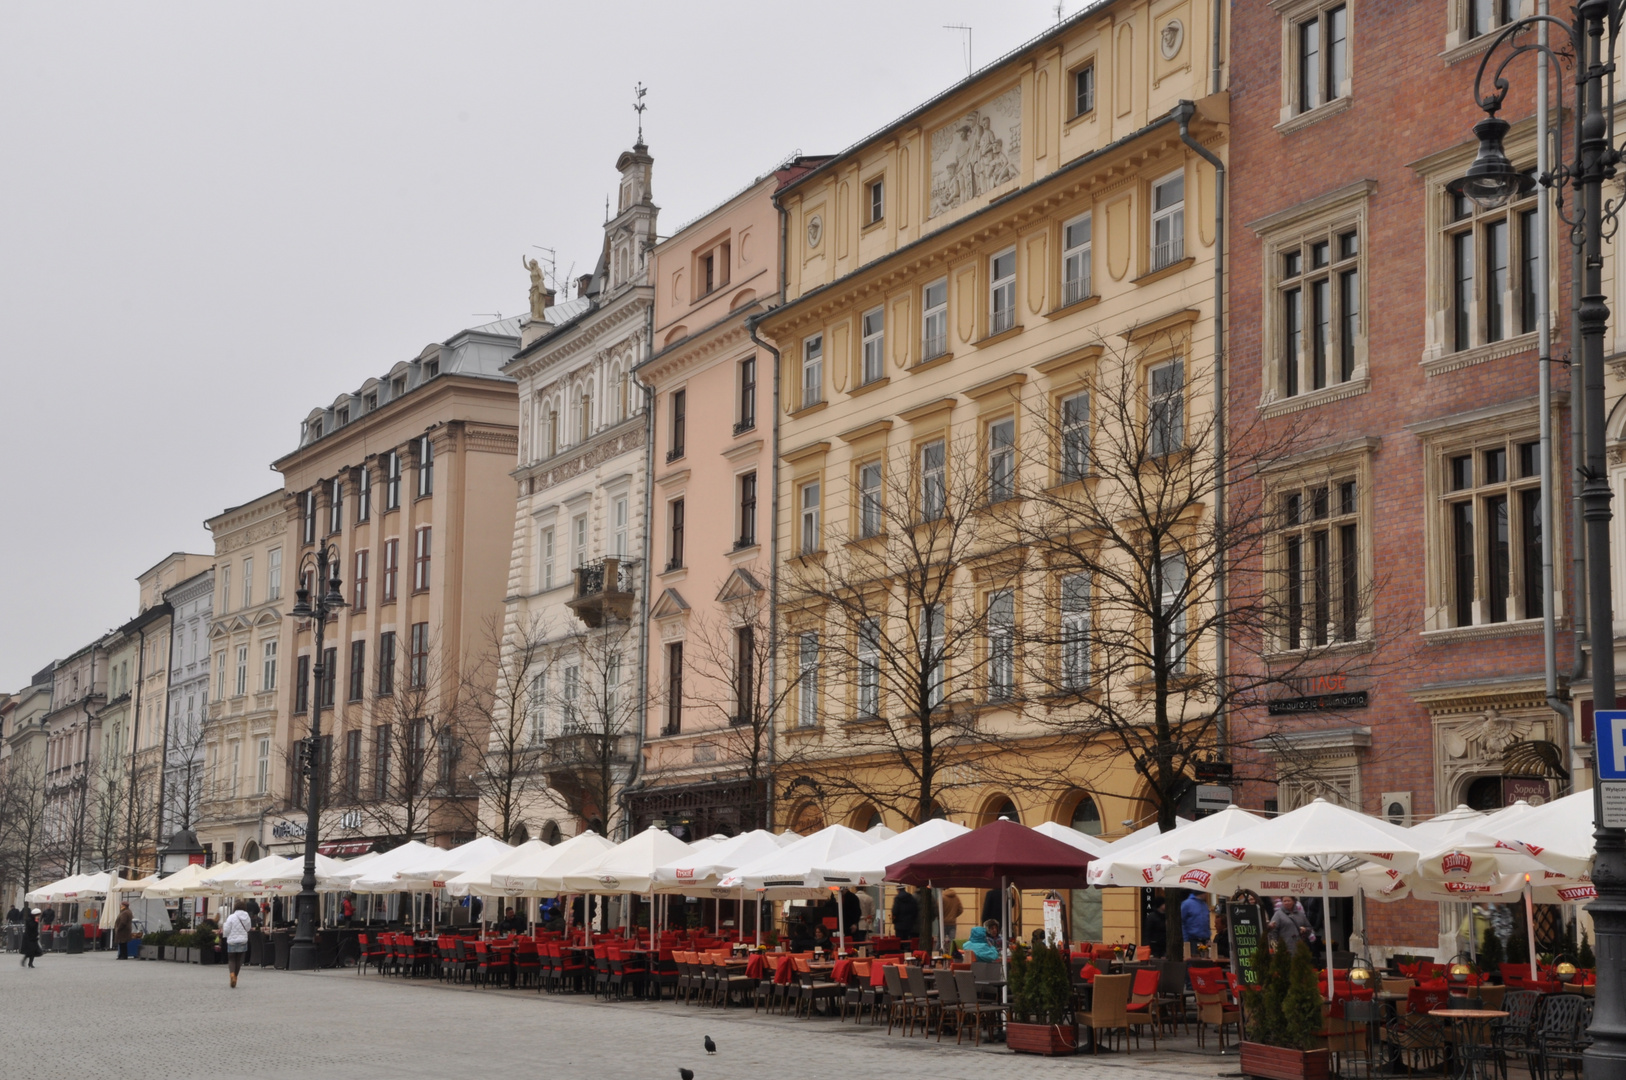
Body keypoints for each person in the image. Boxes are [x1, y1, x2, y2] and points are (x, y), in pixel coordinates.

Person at [223, 900, 254, 989]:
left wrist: (226, 936)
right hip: (243, 940)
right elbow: (248, 928)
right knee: (239, 960)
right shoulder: (247, 917)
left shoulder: (231, 917)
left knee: (231, 959)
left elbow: (227, 929)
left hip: (232, 940)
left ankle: (232, 974)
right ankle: (235, 977)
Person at [1181, 891, 1212, 956]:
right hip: (1192, 940)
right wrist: (1186, 940)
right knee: (1193, 960)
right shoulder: (1187, 904)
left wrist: (1209, 936)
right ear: (1202, 893)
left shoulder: (1204, 905)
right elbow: (1181, 922)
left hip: (1205, 940)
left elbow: (1207, 921)